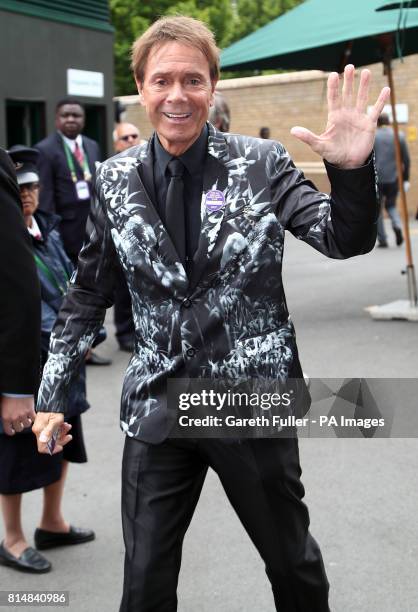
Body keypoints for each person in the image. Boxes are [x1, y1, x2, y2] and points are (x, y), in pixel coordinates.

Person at [33, 16, 390, 612]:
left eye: (193, 80)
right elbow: (87, 294)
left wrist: (351, 171)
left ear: (213, 87)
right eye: (163, 80)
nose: (178, 95)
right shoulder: (114, 179)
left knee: (291, 564)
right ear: (141, 89)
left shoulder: (262, 163)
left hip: (250, 400)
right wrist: (51, 395)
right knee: (143, 584)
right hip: (157, 405)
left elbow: (342, 239)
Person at [0, 146, 94, 575]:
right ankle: (12, 537)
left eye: (33, 186)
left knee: (62, 438)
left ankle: (51, 523)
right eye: (19, 188)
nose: (27, 195)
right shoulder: (9, 236)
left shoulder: (48, 229)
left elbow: (73, 284)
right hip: (26, 357)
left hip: (63, 355)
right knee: (18, 451)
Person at [34, 97, 110, 365]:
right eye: (65, 115)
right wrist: (50, 235)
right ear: (57, 119)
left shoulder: (92, 146)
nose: (71, 120)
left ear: (83, 119)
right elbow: (44, 199)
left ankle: (87, 346)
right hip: (64, 235)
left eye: (76, 116)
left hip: (92, 232)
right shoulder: (45, 150)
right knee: (72, 295)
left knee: (93, 291)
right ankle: (72, 349)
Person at [374, 112, 410, 248]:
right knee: (391, 205)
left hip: (377, 179)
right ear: (389, 122)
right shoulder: (398, 136)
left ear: (378, 123)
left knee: (378, 209)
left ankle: (382, 239)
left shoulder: (374, 137)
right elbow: (406, 159)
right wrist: (406, 179)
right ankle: (396, 224)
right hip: (394, 178)